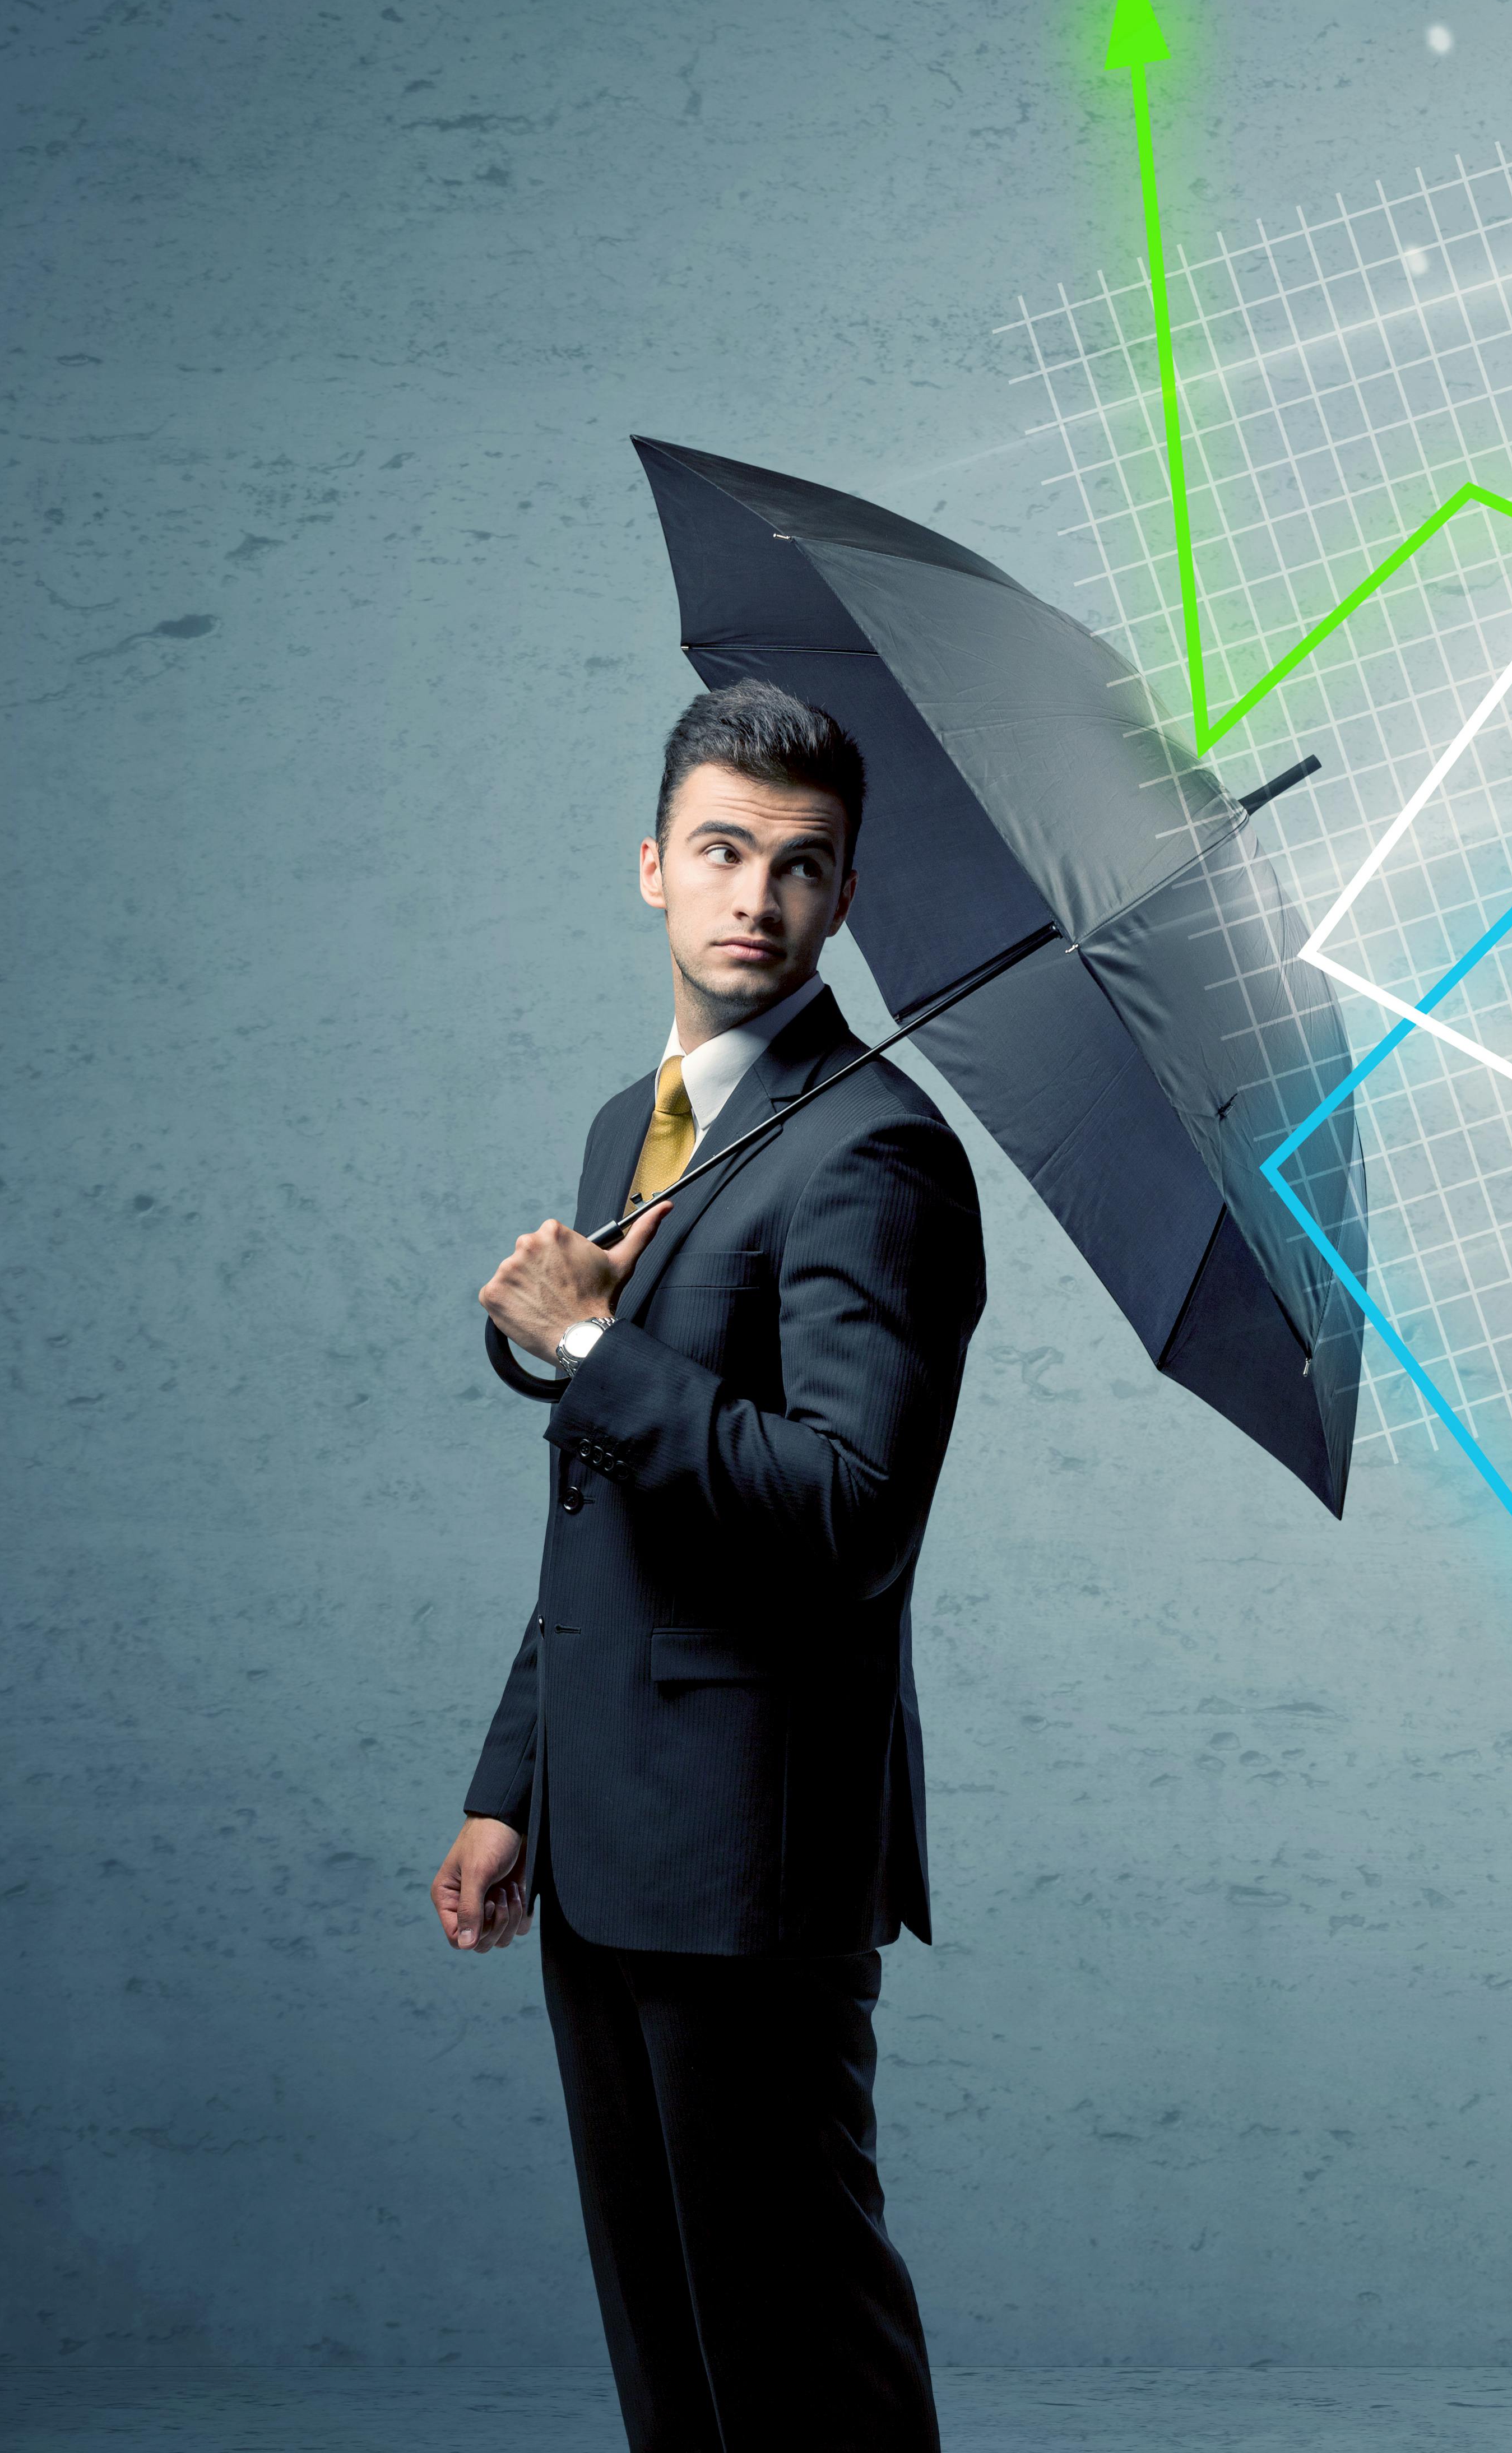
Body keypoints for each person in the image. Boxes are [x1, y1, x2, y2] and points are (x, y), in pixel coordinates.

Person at [434, 678, 984, 2451]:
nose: (758, 897)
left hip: (749, 1842)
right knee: (671, 2354)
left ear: (842, 901)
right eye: (726, 851)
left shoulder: (878, 1153)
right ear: (652, 867)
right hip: (602, 1832)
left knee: (795, 2350)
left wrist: (601, 1350)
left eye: (804, 868)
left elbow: (845, 1509)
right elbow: (605, 1502)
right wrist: (515, 1781)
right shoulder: (638, 1129)